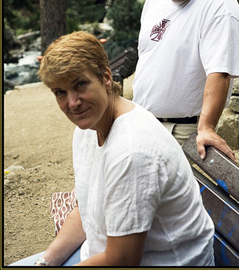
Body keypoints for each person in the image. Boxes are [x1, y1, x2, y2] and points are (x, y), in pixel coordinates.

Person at [10, 31, 215, 267]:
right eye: (60, 92)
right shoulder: (88, 129)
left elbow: (123, 260)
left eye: (81, 84)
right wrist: (45, 262)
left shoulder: (133, 151)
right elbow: (86, 210)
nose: (72, 102)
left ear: (106, 78)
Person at [132, 0, 239, 161]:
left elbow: (220, 72)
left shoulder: (218, 4)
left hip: (183, 133)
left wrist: (206, 128)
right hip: (142, 125)